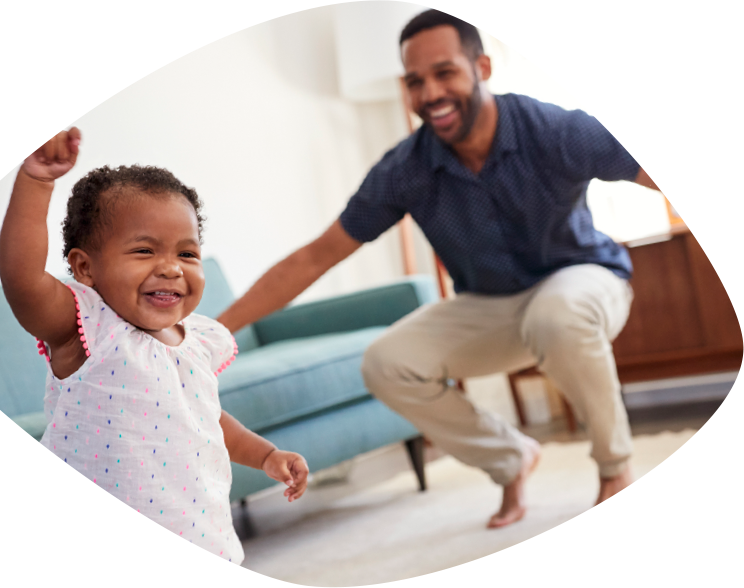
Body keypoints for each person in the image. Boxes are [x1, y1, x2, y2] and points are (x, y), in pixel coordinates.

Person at [217, 10, 663, 529]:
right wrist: (211, 330)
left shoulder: (552, 129)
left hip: (584, 280)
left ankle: (615, 471)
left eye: (444, 72)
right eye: (414, 81)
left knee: (557, 315)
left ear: (483, 67)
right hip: (490, 304)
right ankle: (510, 458)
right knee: (386, 362)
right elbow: (317, 255)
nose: (430, 92)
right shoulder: (405, 169)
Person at [0, 127, 309, 565]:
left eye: (187, 254)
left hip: (203, 530)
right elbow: (22, 281)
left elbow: (205, 419)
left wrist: (267, 455)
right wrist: (36, 182)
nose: (170, 269)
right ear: (85, 268)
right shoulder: (87, 328)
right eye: (144, 251)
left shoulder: (196, 340)